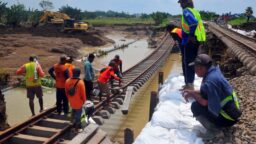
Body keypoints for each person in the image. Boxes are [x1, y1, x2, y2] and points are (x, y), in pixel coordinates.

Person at [182, 54, 241, 140]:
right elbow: (206, 90)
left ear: (200, 68)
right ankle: (221, 124)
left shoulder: (210, 81)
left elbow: (205, 103)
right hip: (232, 112)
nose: (195, 71)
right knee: (199, 100)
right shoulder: (214, 72)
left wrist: (193, 95)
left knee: (195, 107)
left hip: (228, 118)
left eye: (195, 69)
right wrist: (193, 91)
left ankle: (215, 131)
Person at [178, 0, 206, 89]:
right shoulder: (195, 11)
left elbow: (193, 23)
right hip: (196, 40)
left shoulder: (186, 11)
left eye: (182, 3)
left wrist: (190, 36)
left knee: (187, 62)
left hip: (189, 41)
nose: (180, 5)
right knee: (191, 62)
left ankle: (189, 85)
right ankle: (190, 83)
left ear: (187, 3)